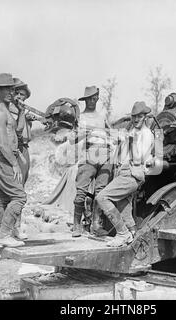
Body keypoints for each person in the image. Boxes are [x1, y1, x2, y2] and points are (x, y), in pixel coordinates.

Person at [95, 101, 156, 247]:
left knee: (102, 197)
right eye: (134, 117)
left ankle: (123, 233)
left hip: (132, 173)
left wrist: (127, 140)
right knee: (123, 207)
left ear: (145, 117)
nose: (136, 120)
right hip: (123, 172)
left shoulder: (147, 135)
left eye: (139, 117)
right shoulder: (134, 132)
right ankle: (134, 235)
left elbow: (139, 156)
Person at [0, 78, 33, 241]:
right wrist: (14, 164)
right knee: (19, 196)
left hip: (11, 155)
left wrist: (22, 112)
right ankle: (3, 234)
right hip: (4, 158)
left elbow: (17, 131)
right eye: (9, 90)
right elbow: (3, 143)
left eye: (14, 90)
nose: (13, 93)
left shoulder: (8, 110)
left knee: (2, 196)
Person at [70, 86, 115, 237]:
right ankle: (77, 225)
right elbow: (71, 139)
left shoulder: (102, 116)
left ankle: (96, 225)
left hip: (105, 156)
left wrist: (112, 138)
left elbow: (112, 133)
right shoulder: (80, 117)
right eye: (88, 98)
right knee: (81, 192)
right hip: (88, 155)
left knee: (101, 192)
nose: (91, 101)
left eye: (93, 98)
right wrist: (82, 133)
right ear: (85, 100)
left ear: (97, 98)